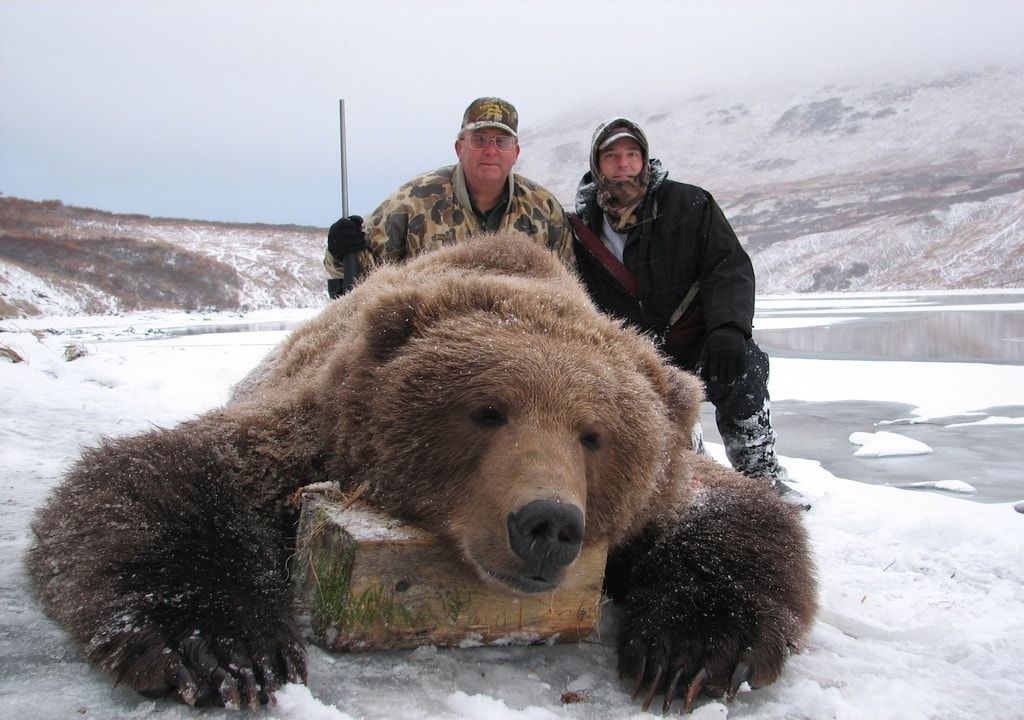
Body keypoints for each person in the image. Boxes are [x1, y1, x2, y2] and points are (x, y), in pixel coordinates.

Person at [569, 117, 807, 505]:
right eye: (612, 156)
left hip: (695, 344)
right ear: (597, 165)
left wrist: (728, 328)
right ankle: (688, 470)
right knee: (667, 441)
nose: (624, 164)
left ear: (645, 159)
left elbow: (726, 266)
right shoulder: (579, 230)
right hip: (630, 357)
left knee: (745, 365)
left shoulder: (690, 204)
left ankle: (760, 474)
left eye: (632, 154)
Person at [324, 97, 574, 296]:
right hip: (431, 345)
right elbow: (361, 280)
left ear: (515, 152)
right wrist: (339, 250)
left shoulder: (544, 209)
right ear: (459, 148)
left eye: (502, 141)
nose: (490, 150)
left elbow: (569, 289)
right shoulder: (412, 201)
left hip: (524, 346)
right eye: (479, 140)